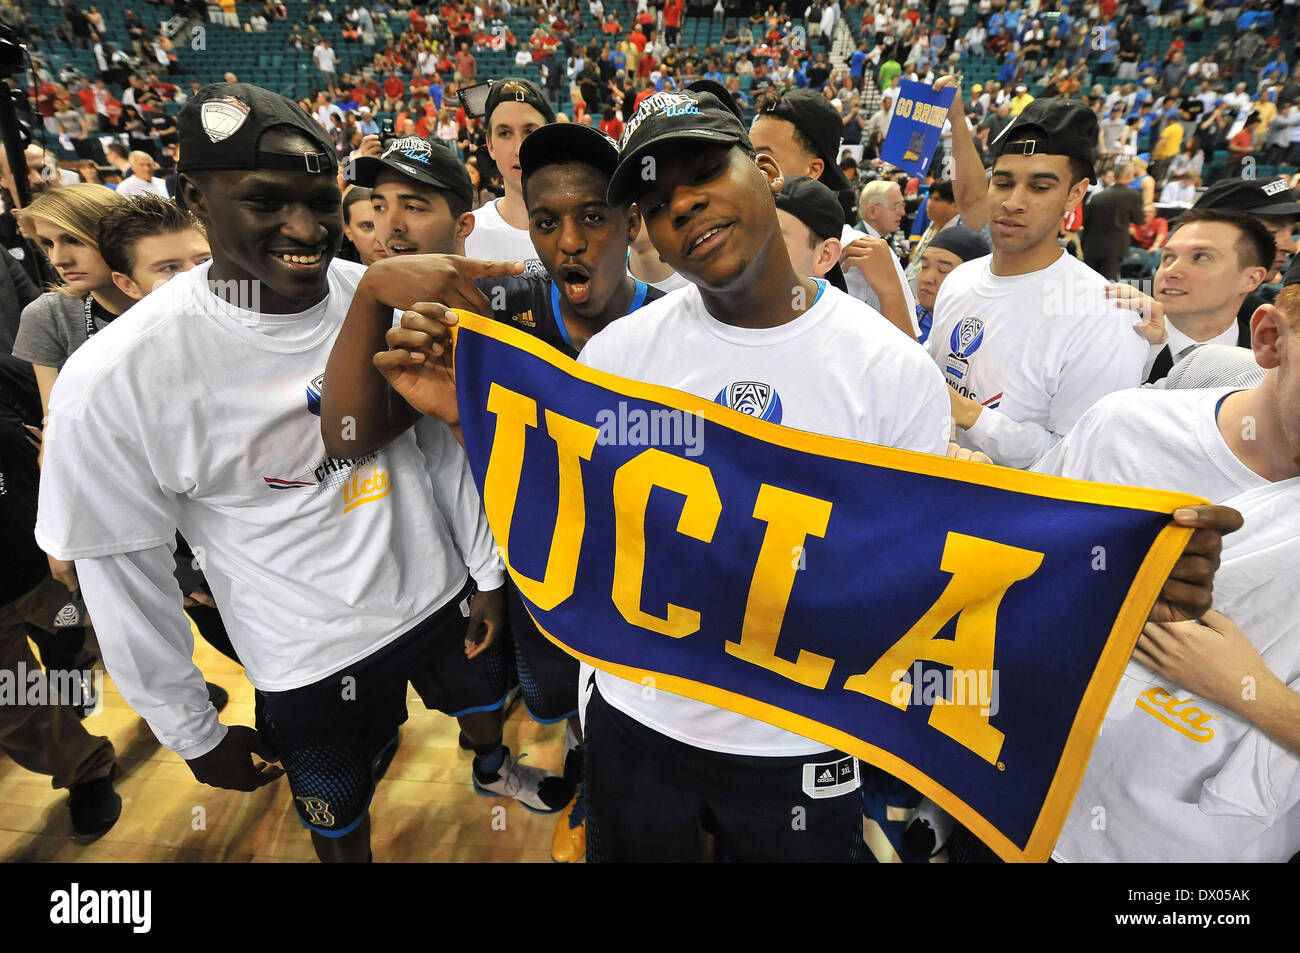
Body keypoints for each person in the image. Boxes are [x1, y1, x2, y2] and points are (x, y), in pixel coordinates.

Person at [34, 84, 518, 864]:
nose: (306, 229)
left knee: (484, 716)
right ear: (194, 196)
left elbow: (434, 444)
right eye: (266, 201)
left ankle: (494, 768)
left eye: (323, 202)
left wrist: (486, 571)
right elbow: (122, 571)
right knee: (338, 817)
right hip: (304, 652)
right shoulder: (114, 378)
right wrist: (190, 728)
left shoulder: (372, 294)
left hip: (435, 597)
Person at [586, 88, 952, 862]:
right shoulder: (617, 360)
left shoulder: (890, 371)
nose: (681, 205)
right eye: (655, 199)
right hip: (640, 715)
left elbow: (919, 564)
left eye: (700, 173)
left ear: (763, 170)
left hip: (798, 731)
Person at [325, 122, 669, 861]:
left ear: (630, 221)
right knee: (559, 701)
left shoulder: (678, 324)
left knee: (649, 712)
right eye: (547, 221)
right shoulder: (497, 308)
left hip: (651, 575)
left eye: (594, 216)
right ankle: (591, 780)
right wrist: (383, 308)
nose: (570, 240)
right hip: (543, 569)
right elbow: (350, 432)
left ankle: (637, 797)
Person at [1041, 281, 1300, 862]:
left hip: (1186, 856)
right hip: (1018, 798)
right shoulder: (1124, 429)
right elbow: (1008, 569)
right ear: (1270, 339)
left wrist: (1251, 694)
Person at [927, 99, 1150, 470]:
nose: (1013, 202)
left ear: (1075, 194)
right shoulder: (960, 279)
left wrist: (968, 412)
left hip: (1002, 516)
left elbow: (1076, 458)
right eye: (1003, 182)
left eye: (1040, 187)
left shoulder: (1102, 316)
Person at [0, 350, 121, 837]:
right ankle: (85, 770)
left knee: (125, 635)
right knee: (14, 707)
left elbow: (70, 419)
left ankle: (178, 705)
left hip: (50, 565)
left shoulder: (6, 377)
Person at [1141, 209, 1275, 384]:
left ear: (1251, 279)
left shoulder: (1275, 359)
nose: (1171, 271)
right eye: (1168, 257)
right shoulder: (1118, 341)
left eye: (1200, 257)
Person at [463, 78, 555, 261]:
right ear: (490, 146)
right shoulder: (468, 235)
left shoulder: (586, 231)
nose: (519, 149)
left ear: (551, 138)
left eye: (530, 132)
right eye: (504, 133)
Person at [913, 225, 989, 345]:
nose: (927, 279)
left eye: (943, 270)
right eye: (924, 266)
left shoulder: (982, 334)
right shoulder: (908, 318)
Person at [1082, 159, 1145, 280]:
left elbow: (1086, 222)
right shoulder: (1133, 196)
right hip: (1115, 248)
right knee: (1107, 285)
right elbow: (1139, 219)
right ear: (1129, 175)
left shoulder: (1097, 197)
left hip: (1092, 246)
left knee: (1088, 281)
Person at [340, 185, 387, 266]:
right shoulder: (332, 273)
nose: (380, 238)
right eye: (368, 227)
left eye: (387, 226)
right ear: (347, 230)